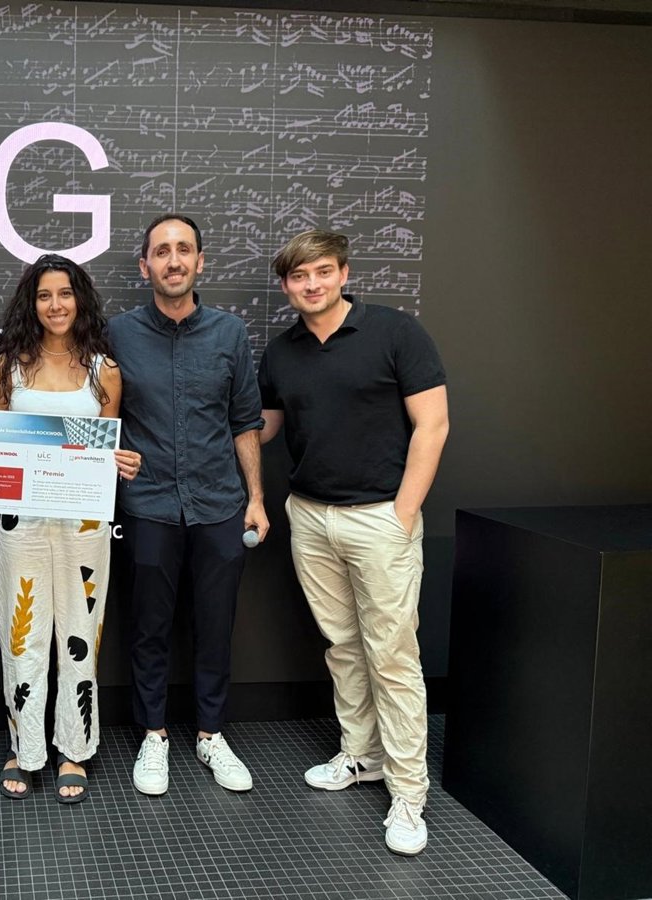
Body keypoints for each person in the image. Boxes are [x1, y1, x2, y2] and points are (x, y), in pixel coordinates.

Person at [258, 229, 449, 856]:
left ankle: (408, 792)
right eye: (299, 276)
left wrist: (403, 513)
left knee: (392, 657)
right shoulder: (281, 352)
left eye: (322, 271)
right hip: (311, 517)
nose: (311, 284)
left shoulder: (396, 332)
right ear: (286, 286)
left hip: (379, 520)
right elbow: (264, 427)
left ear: (343, 273)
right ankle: (361, 755)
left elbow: (432, 425)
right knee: (343, 646)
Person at [0, 254, 140, 803]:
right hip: (22, 520)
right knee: (22, 636)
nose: (55, 305)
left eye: (65, 293)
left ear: (80, 300)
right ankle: (24, 747)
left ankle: (74, 748)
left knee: (81, 635)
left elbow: (104, 449)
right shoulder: (8, 365)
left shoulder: (104, 369)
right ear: (30, 304)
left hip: (84, 522)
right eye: (44, 295)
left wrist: (122, 461)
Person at [107, 214, 269, 797]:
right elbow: (99, 413)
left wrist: (256, 498)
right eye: (161, 251)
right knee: (148, 628)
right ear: (144, 265)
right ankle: (154, 736)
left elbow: (245, 421)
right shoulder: (116, 335)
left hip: (220, 504)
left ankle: (210, 734)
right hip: (147, 504)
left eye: (183, 250)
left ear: (200, 261)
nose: (172, 261)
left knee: (215, 626)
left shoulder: (230, 333)